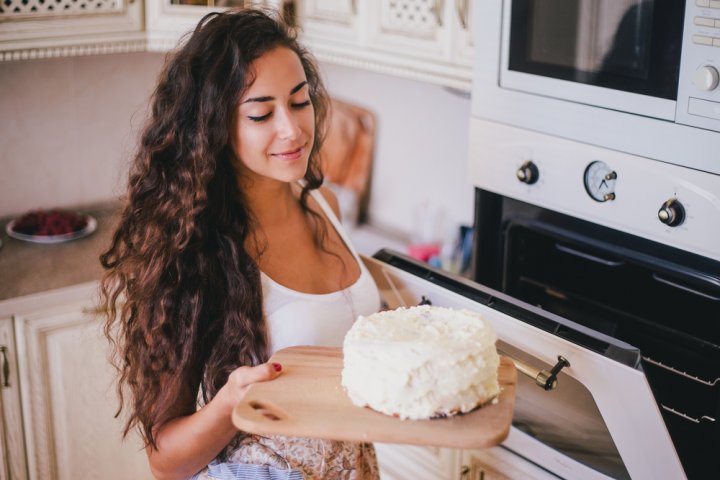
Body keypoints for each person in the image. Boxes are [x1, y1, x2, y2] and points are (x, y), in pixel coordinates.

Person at [100, 7, 381, 480]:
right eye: (260, 113)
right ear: (215, 127)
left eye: (299, 101)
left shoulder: (325, 203)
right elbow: (165, 462)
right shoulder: (194, 251)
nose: (291, 129)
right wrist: (232, 400)